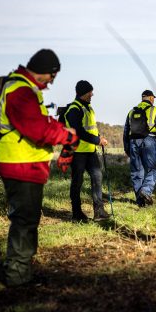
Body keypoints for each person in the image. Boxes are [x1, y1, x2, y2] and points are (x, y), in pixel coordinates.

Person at [0, 49, 79, 287]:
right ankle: (17, 277)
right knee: (24, 221)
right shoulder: (20, 90)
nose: (52, 82)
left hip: (24, 163)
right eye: (53, 76)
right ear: (45, 72)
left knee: (27, 220)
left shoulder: (24, 89)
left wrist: (61, 129)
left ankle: (21, 271)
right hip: (20, 163)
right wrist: (67, 137)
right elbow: (37, 129)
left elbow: (41, 121)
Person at [62, 80, 110, 222]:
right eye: (90, 92)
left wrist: (98, 137)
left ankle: (99, 211)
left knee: (97, 177)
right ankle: (77, 214)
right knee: (77, 182)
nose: (92, 94)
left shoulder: (88, 108)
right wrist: (97, 140)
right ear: (83, 93)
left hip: (90, 151)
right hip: (77, 152)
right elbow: (79, 132)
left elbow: (90, 128)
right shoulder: (74, 109)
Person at [123, 90, 156, 206]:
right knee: (153, 169)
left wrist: (126, 148)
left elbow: (126, 131)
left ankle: (140, 202)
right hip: (148, 141)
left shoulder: (131, 111)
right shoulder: (154, 110)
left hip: (133, 142)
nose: (153, 100)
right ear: (150, 98)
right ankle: (146, 191)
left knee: (136, 172)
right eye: (153, 98)